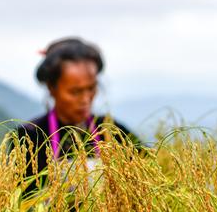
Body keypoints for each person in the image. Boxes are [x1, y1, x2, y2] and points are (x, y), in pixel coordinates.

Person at [14, 37, 140, 196]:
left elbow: (146, 172)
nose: (86, 99)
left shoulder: (111, 130)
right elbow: (23, 200)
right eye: (75, 92)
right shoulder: (31, 136)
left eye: (91, 88)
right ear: (52, 88)